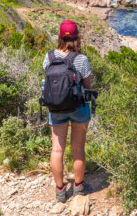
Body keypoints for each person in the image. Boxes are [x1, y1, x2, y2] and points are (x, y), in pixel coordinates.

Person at [44, 19, 92, 203]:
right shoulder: (81, 59)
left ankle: (60, 190)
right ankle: (79, 187)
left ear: (60, 37)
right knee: (78, 148)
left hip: (55, 107)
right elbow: (87, 85)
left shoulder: (48, 57)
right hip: (78, 108)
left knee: (57, 149)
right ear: (77, 38)